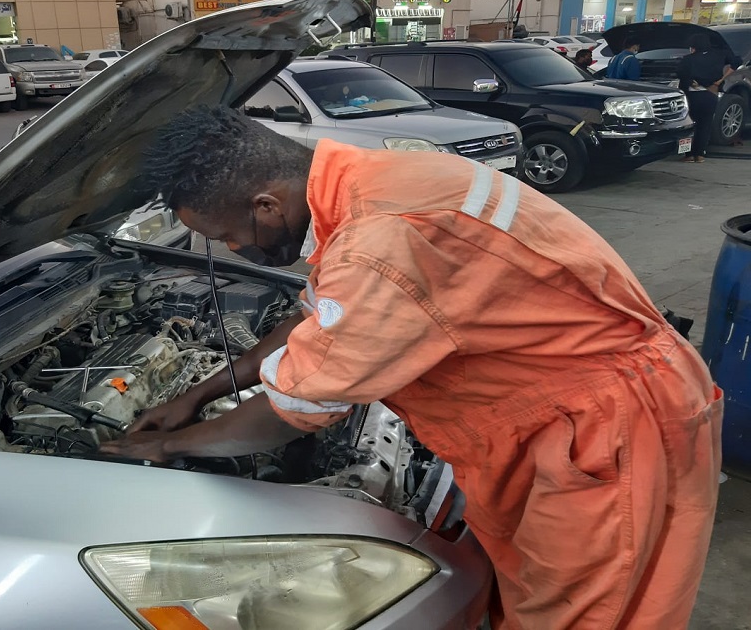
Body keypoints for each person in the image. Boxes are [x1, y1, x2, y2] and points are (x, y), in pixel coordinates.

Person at [102, 105, 722, 629]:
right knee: (530, 594)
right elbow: (314, 317)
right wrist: (199, 393)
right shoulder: (378, 177)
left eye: (228, 235)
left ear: (266, 204)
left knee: (579, 616)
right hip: (550, 411)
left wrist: (168, 447)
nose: (234, 249)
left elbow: (289, 412)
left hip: (605, 429)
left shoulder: (380, 240)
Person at [677, 33, 742, 162]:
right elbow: (737, 62)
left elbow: (681, 75)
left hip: (692, 95)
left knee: (690, 125)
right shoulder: (719, 55)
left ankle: (689, 155)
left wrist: (690, 83)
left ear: (693, 46)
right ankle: (700, 155)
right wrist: (721, 80)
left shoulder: (688, 59)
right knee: (705, 125)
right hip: (711, 94)